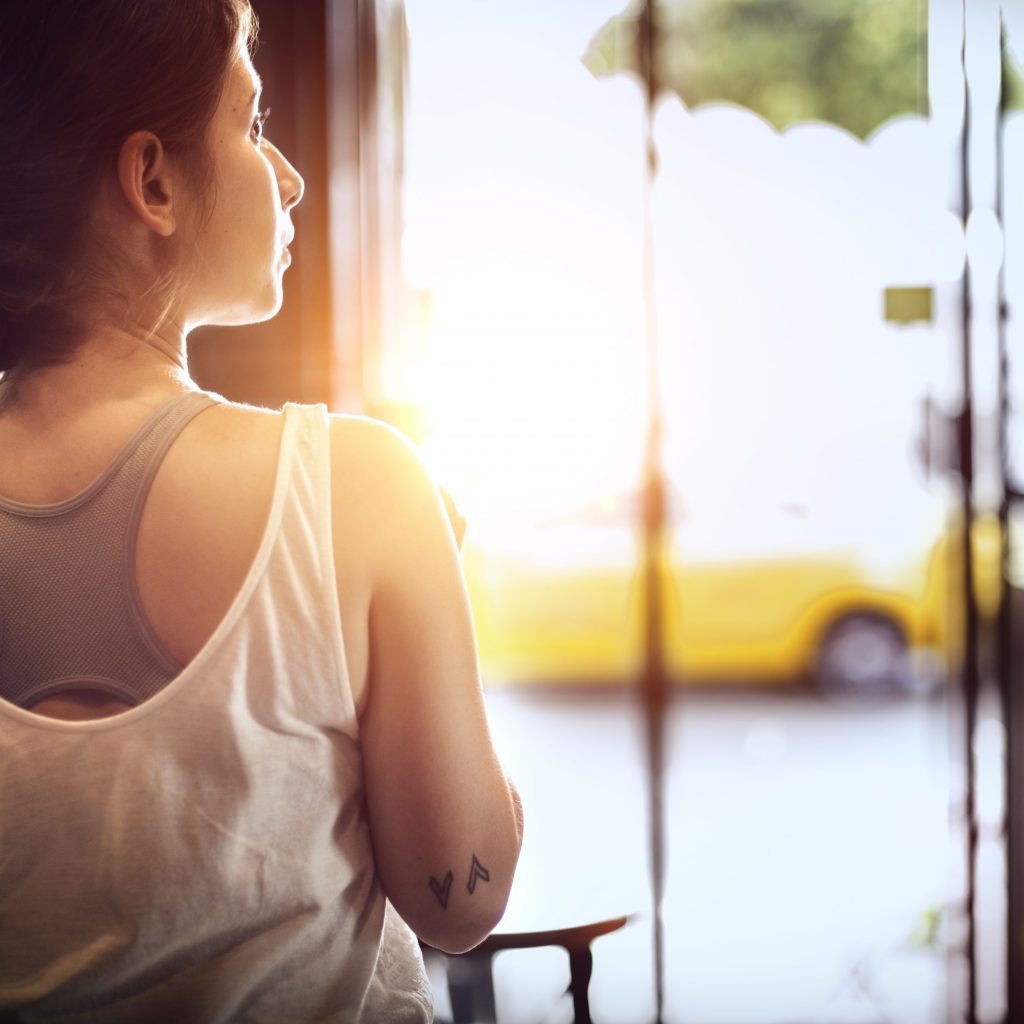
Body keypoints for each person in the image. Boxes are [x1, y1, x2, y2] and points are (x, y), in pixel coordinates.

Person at [0, 1, 524, 1020]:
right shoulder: (359, 487)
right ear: (152, 179)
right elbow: (462, 896)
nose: (286, 176)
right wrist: (437, 628)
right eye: (251, 125)